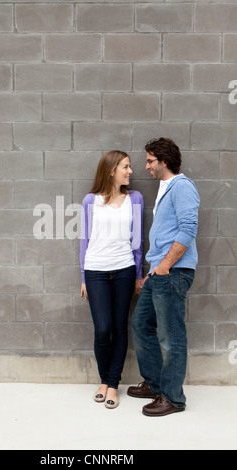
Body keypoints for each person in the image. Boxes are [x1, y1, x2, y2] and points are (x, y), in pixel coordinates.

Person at [128, 137, 200, 417]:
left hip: (174, 272)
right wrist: (153, 271)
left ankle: (172, 398)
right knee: (140, 324)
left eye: (149, 161)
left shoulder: (182, 187)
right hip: (160, 272)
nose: (146, 166)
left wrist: (166, 265)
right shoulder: (166, 188)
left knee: (171, 337)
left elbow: (187, 229)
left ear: (164, 161)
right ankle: (156, 383)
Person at [80, 150, 144, 409]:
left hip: (125, 270)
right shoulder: (89, 200)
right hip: (96, 271)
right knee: (102, 329)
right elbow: (84, 240)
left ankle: (112, 385)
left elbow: (138, 242)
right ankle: (103, 378)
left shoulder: (135, 199)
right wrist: (83, 276)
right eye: (125, 167)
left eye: (130, 167)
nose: (130, 171)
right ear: (111, 170)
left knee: (119, 327)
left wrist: (138, 274)